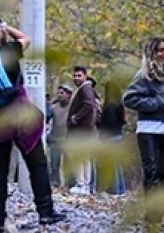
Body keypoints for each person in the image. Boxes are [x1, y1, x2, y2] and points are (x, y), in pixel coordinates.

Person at [0, 19, 66, 231]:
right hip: (19, 116)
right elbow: (25, 39)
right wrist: (6, 26)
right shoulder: (8, 51)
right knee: (36, 162)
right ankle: (45, 211)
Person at [123, 38, 164, 222]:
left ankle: (159, 215)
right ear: (152, 53)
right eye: (159, 50)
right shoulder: (144, 76)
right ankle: (151, 216)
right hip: (149, 130)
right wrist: (155, 103)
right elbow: (129, 98)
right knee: (152, 173)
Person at [66, 66, 100, 194]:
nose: (76, 78)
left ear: (85, 76)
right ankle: (85, 185)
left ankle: (81, 184)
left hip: (81, 130)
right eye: (74, 76)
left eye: (79, 75)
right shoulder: (88, 88)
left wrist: (76, 118)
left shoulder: (85, 88)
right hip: (87, 130)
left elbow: (88, 105)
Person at [97, 77, 128, 195]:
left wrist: (99, 123)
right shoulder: (119, 105)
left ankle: (114, 189)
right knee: (117, 164)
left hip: (110, 137)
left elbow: (108, 123)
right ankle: (120, 188)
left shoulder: (110, 106)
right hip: (118, 135)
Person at [47, 85, 72, 188]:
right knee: (54, 164)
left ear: (69, 95)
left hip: (68, 139)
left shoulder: (72, 107)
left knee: (69, 164)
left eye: (62, 93)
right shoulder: (54, 108)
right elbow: (47, 119)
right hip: (55, 139)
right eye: (59, 93)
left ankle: (69, 184)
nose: (60, 95)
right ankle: (55, 183)